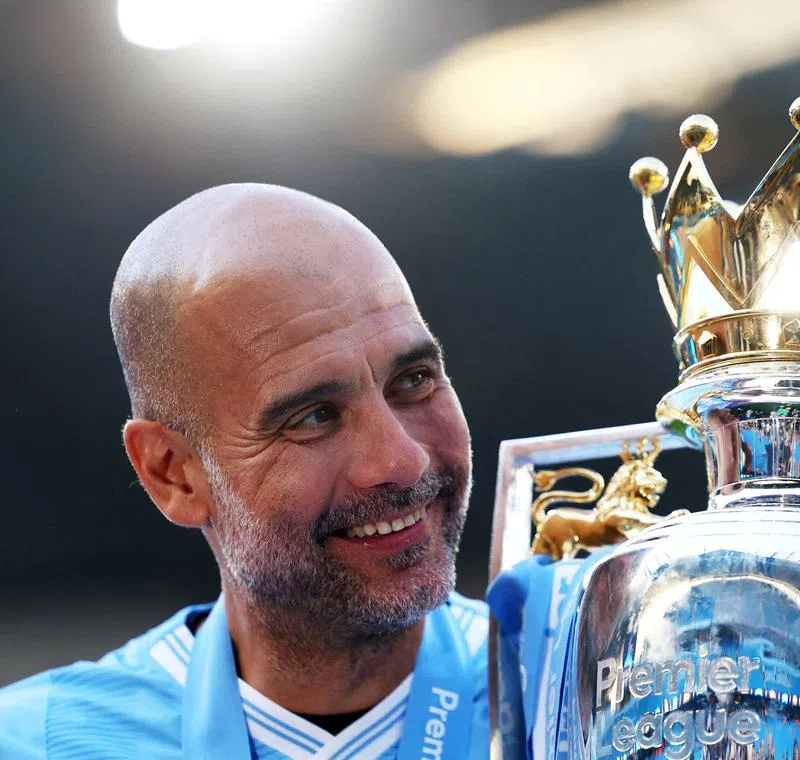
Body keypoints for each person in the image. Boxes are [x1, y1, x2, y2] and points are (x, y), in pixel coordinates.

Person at [0, 184, 488, 759]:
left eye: (413, 380)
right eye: (313, 417)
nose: (402, 460)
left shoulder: (589, 688)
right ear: (173, 475)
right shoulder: (38, 743)